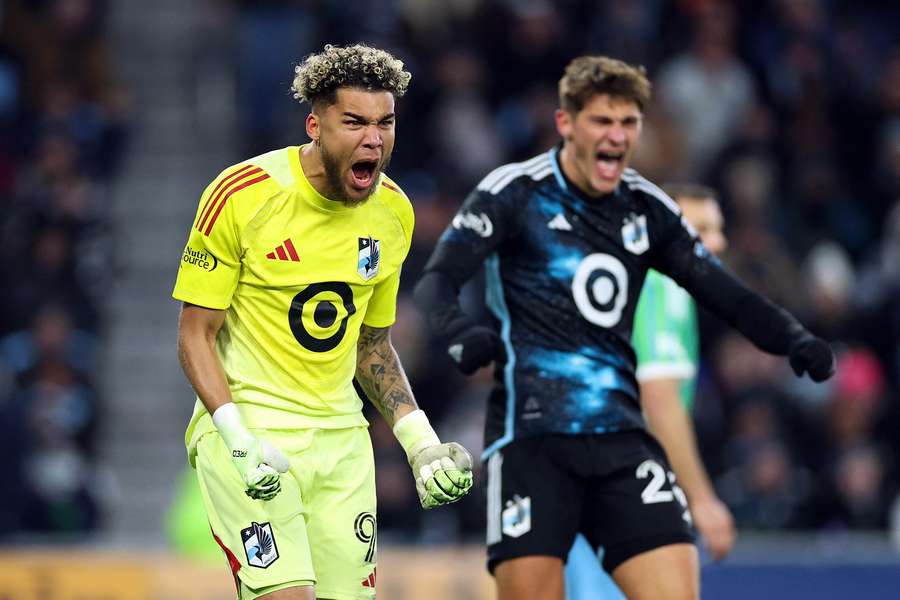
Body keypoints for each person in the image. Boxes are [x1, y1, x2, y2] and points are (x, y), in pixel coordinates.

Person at [414, 55, 834, 600]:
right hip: (533, 441)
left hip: (620, 441)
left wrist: (793, 339)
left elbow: (726, 294)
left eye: (628, 122)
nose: (616, 135)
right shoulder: (515, 192)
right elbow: (437, 283)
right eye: (602, 121)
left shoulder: (646, 207)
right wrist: (459, 333)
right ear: (566, 124)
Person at [173, 43, 474, 600]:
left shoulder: (393, 212)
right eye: (354, 122)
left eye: (385, 123)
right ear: (315, 126)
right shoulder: (242, 195)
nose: (374, 139)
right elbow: (195, 334)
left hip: (342, 444)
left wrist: (420, 443)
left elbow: (372, 344)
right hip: (254, 432)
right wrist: (236, 437)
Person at [564, 184, 735, 600]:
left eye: (718, 228)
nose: (717, 242)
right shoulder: (662, 285)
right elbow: (660, 398)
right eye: (701, 228)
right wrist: (702, 499)